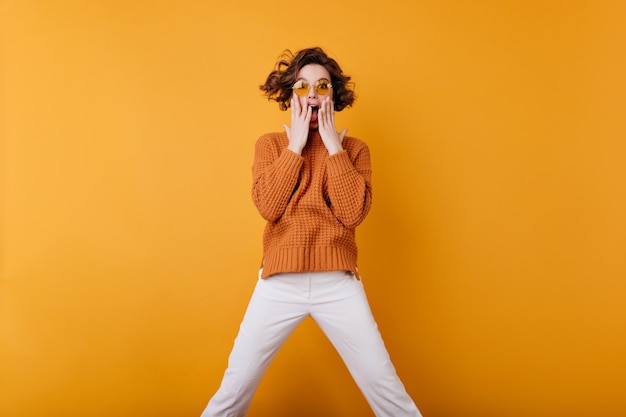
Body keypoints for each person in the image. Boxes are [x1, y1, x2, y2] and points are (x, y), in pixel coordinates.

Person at [199, 47, 423, 417]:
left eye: (322, 86)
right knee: (233, 389)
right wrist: (295, 146)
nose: (313, 95)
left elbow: (352, 214)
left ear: (333, 94)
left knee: (387, 390)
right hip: (278, 283)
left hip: (337, 283)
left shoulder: (355, 149)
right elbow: (268, 207)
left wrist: (335, 148)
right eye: (302, 87)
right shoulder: (270, 145)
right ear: (291, 96)